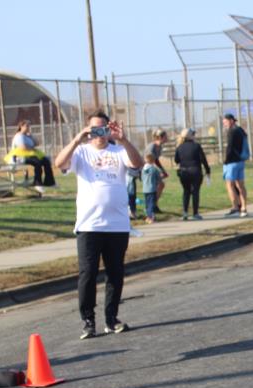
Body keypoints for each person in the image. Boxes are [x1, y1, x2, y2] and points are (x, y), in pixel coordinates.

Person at [54, 110, 142, 339]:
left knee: (115, 273)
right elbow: (59, 163)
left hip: (117, 225)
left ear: (109, 128)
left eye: (103, 128)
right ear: (88, 130)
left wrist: (123, 140)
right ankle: (88, 321)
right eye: (94, 129)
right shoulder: (81, 151)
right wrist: (77, 139)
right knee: (88, 273)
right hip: (89, 225)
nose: (99, 134)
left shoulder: (118, 150)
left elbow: (137, 163)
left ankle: (111, 319)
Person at [8, 120, 56, 192]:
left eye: (29, 126)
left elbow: (37, 143)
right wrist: (32, 148)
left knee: (46, 161)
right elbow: (23, 147)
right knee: (37, 162)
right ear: (21, 127)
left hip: (30, 155)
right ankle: (37, 183)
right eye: (26, 126)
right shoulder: (18, 136)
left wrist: (31, 136)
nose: (28, 128)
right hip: (20, 157)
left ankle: (49, 182)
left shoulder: (27, 136)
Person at [173, 128, 211, 221]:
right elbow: (203, 159)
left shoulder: (179, 147)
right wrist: (207, 170)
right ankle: (195, 213)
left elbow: (176, 160)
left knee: (186, 191)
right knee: (195, 191)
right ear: (190, 136)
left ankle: (185, 212)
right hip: (195, 171)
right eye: (193, 134)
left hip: (184, 172)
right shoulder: (196, 146)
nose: (194, 136)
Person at [222, 113, 249, 218]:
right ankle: (244, 208)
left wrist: (226, 160)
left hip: (232, 162)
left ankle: (235, 207)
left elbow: (230, 147)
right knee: (240, 185)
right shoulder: (240, 130)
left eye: (225, 122)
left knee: (229, 185)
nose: (224, 124)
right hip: (241, 161)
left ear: (231, 121)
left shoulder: (231, 131)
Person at [146, 129, 169, 213]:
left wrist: (163, 170)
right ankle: (150, 206)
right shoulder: (152, 146)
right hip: (147, 169)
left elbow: (156, 160)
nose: (167, 138)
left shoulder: (159, 147)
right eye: (165, 136)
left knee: (160, 185)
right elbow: (149, 160)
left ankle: (154, 204)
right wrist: (159, 171)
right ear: (160, 137)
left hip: (153, 168)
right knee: (155, 186)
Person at [141, 152, 162, 223]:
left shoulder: (143, 169)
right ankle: (151, 217)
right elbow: (159, 178)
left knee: (147, 203)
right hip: (152, 189)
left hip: (145, 189)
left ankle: (148, 216)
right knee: (152, 204)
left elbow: (142, 178)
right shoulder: (154, 169)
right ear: (153, 161)